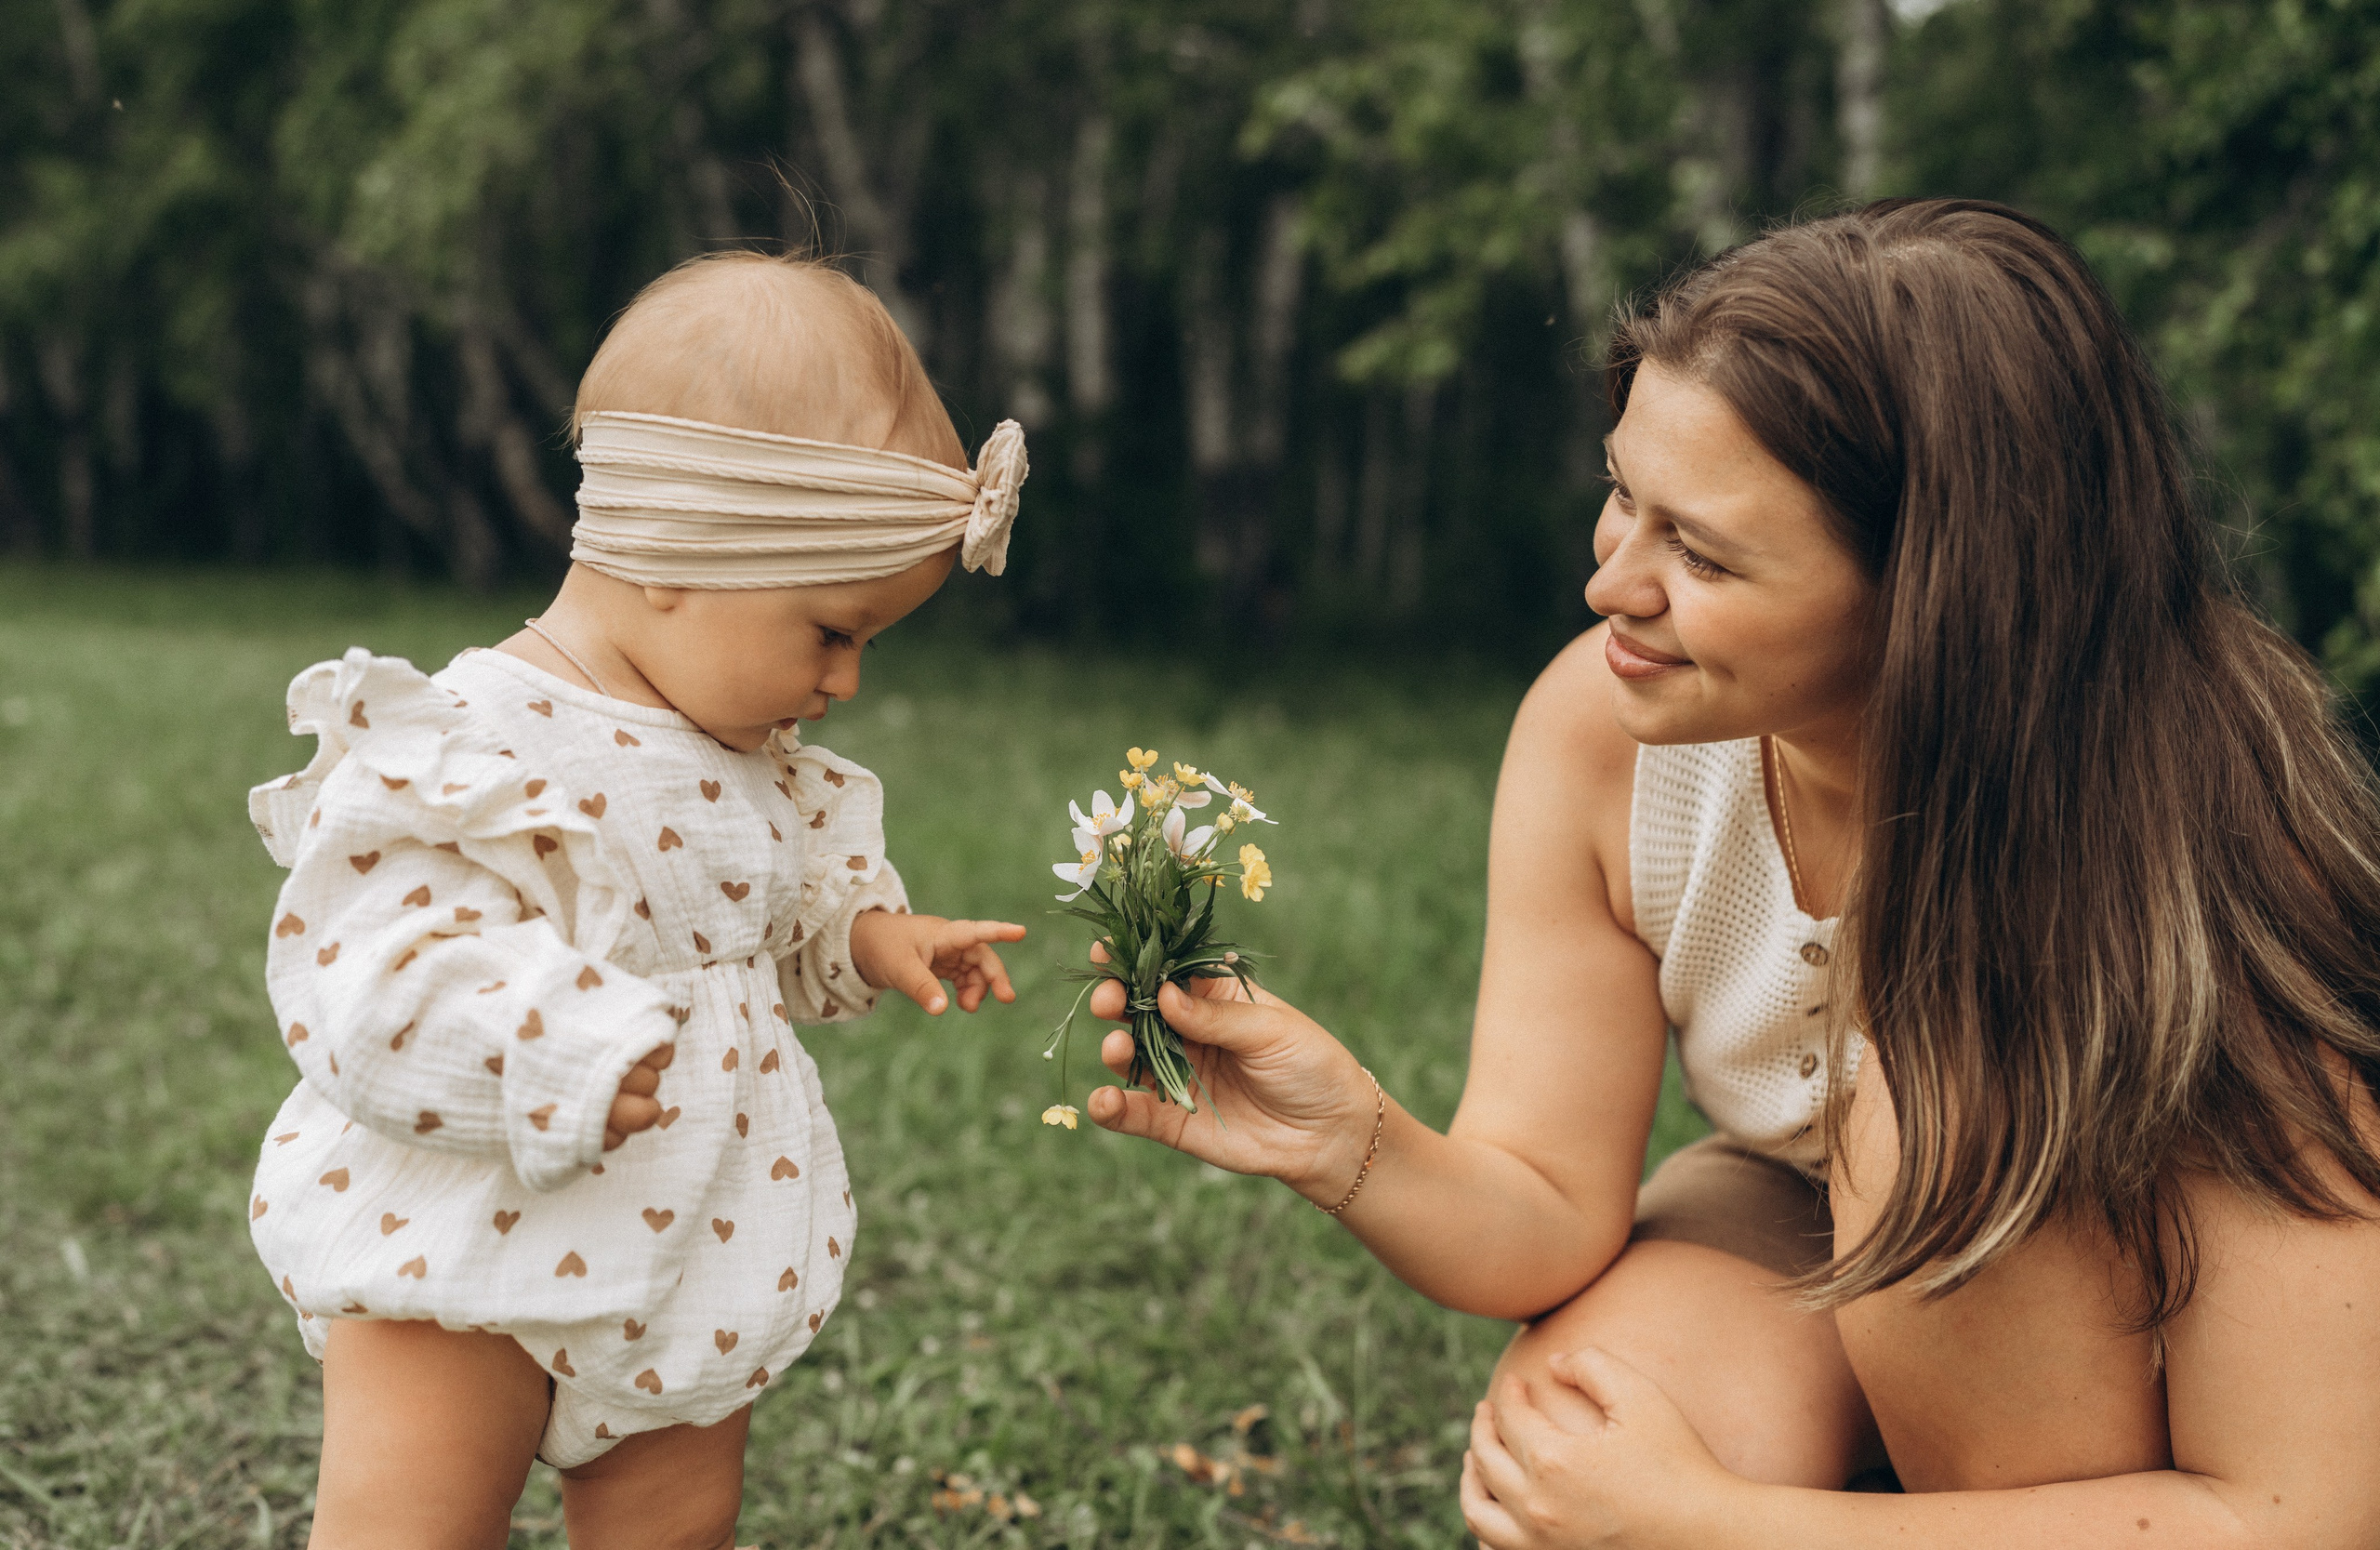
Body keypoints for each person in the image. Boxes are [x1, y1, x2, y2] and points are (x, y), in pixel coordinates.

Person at [1084, 199, 2380, 1545]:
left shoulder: (2206, 847)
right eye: (1621, 495)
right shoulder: (1607, 736)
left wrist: (1721, 1523)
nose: (1611, 585)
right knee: (1575, 1446)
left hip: (2112, 1325)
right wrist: (1346, 1141)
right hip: (1795, 1212)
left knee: (1929, 1122)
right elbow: (1544, 1209)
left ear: (1940, 592)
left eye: (1698, 552)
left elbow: (2304, 1512)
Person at [245, 252, 1030, 1546]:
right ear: (676, 554)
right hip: (469, 1246)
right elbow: (373, 971)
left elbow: (767, 919)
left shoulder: (748, 759)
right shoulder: (466, 741)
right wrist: (542, 1047)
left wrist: (875, 936)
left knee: (673, 1527)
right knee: (413, 1524)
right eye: (833, 631)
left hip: (692, 1248)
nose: (846, 683)